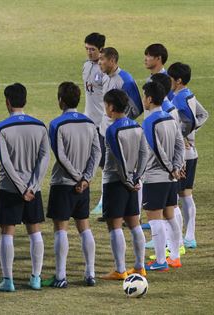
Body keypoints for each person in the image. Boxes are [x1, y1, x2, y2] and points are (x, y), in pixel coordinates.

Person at [41, 82, 101, 288]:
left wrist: (77, 177)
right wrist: (86, 178)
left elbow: (61, 155)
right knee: (84, 227)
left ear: (60, 101)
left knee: (61, 229)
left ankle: (61, 276)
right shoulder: (90, 122)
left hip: (64, 183)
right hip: (84, 185)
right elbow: (97, 152)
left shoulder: (56, 124)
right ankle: (90, 273)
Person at [0, 83, 49, 292]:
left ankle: (8, 280)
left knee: (7, 232)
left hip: (10, 188)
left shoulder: (1, 127)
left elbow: (6, 162)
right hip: (33, 190)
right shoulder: (40, 126)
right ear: (25, 100)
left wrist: (21, 188)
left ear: (7, 101)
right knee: (34, 231)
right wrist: (32, 186)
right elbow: (44, 159)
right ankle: (36, 278)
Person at [98, 89, 148, 281]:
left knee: (115, 226)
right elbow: (144, 153)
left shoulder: (112, 130)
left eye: (105, 106)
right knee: (134, 224)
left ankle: (120, 269)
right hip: (133, 182)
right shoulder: (136, 126)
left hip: (115, 182)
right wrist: (137, 178)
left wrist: (127, 180)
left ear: (111, 107)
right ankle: (140, 267)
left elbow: (118, 160)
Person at [140, 81, 184, 272]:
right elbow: (179, 145)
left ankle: (160, 261)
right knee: (170, 215)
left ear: (149, 99)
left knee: (155, 218)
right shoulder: (170, 118)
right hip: (170, 177)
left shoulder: (149, 121)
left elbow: (157, 149)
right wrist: (176, 166)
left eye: (144, 96)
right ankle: (174, 256)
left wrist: (169, 168)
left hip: (156, 175)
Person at [168, 62, 208, 249]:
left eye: (170, 79)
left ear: (178, 80)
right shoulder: (188, 94)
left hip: (182, 155)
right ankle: (189, 236)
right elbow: (203, 114)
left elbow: (192, 119)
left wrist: (183, 136)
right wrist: (191, 135)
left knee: (174, 197)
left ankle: (174, 240)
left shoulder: (178, 99)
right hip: (191, 152)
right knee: (185, 194)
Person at [82, 33, 107, 215]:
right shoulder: (85, 66)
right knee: (85, 160)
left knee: (105, 164)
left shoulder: (104, 70)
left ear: (101, 50)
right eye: (87, 49)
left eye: (93, 50)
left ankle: (103, 201)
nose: (89, 53)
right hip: (87, 123)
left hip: (101, 124)